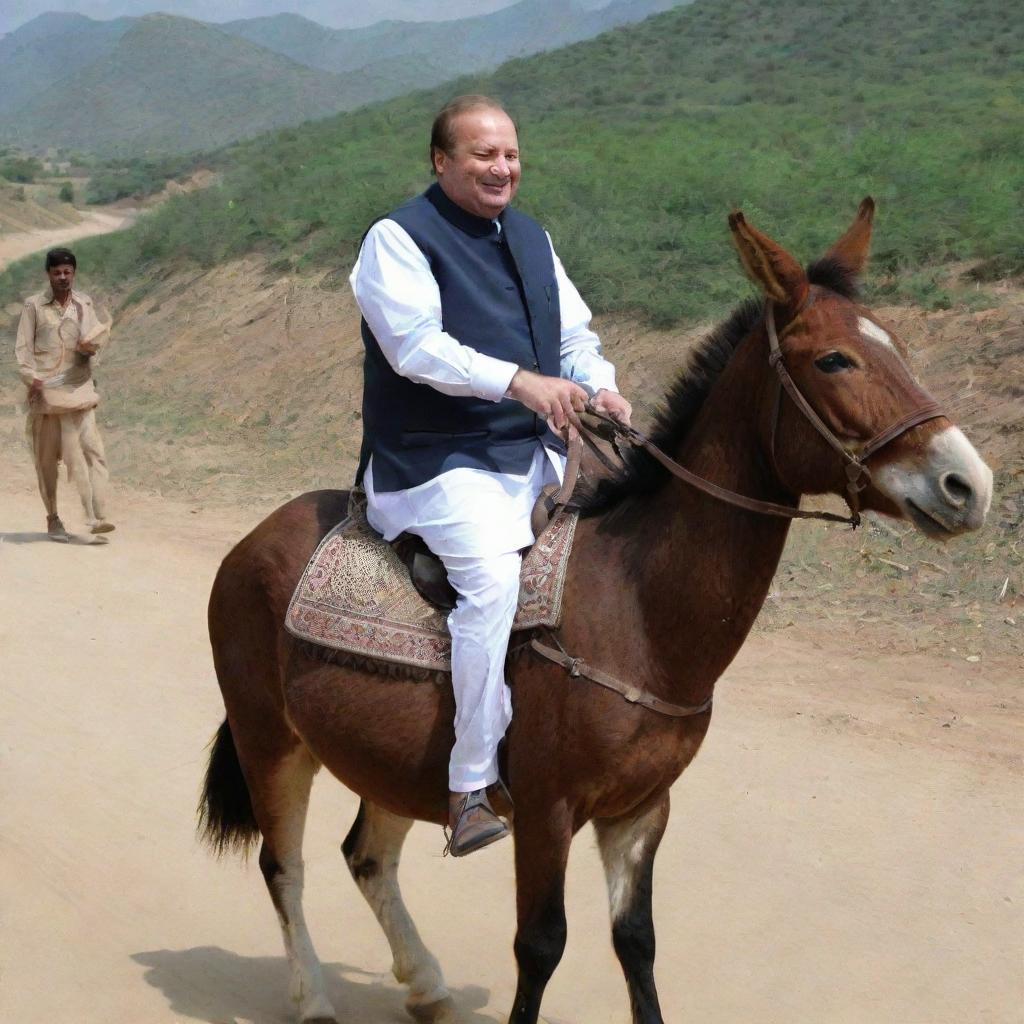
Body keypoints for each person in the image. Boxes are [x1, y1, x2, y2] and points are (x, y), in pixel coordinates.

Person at [350, 95, 631, 856]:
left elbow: (573, 335)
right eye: (482, 155)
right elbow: (415, 348)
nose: (501, 168)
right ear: (441, 162)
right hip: (434, 461)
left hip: (529, 449)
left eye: (509, 154)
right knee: (493, 582)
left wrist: (597, 383)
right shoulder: (397, 239)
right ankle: (471, 783)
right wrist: (520, 382)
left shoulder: (532, 236)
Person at [15, 247, 114, 542]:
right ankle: (53, 518)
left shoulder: (84, 304)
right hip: (47, 397)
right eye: (56, 272)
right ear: (48, 274)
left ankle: (98, 517)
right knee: (47, 462)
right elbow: (23, 349)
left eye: (67, 272)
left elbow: (97, 337)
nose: (62, 277)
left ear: (74, 273)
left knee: (94, 454)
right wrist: (32, 379)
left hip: (80, 392)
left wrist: (91, 345)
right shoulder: (34, 307)